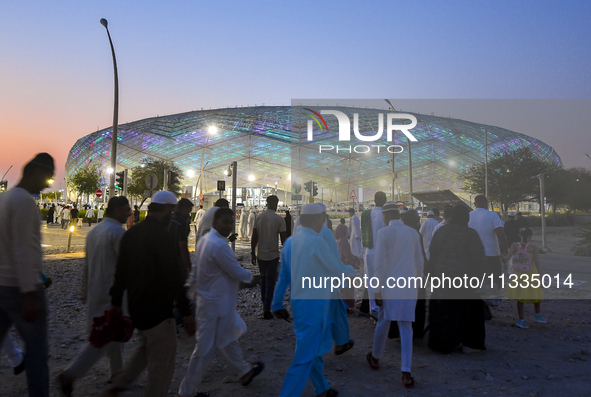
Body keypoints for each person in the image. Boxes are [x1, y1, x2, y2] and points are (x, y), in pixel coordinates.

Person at [107, 191, 195, 397]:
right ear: (166, 209)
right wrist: (187, 312)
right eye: (171, 212)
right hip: (158, 309)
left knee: (147, 348)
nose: (172, 216)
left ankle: (120, 385)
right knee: (162, 363)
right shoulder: (163, 237)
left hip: (137, 307)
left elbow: (121, 271)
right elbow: (173, 276)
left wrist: (117, 302)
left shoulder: (132, 233)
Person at [178, 208, 264, 397]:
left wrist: (191, 288)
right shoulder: (218, 245)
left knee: (227, 338)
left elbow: (196, 270)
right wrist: (255, 276)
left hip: (215, 303)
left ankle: (244, 372)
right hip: (214, 305)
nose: (228, 225)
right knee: (205, 349)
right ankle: (187, 390)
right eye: (225, 221)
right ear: (215, 223)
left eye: (230, 222)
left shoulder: (206, 241)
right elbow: (237, 271)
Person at [272, 203, 354, 397]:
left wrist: (276, 303)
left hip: (299, 304)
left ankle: (322, 389)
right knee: (304, 358)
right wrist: (355, 272)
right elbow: (336, 267)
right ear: (317, 219)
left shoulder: (291, 242)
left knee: (312, 349)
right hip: (315, 307)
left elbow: (283, 276)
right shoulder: (316, 242)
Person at [57, 197, 132, 395]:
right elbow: (125, 268)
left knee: (111, 332)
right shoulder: (117, 232)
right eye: (126, 209)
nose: (129, 213)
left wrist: (85, 292)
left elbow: (87, 265)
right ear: (116, 210)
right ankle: (71, 373)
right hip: (112, 294)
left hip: (96, 291)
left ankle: (117, 373)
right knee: (102, 338)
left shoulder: (94, 232)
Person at [0, 153, 54, 396]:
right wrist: (30, 292)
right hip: (20, 289)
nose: (47, 184)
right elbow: (22, 250)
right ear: (36, 172)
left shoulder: (5, 198)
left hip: (1, 285)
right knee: (36, 352)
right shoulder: (23, 202)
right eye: (47, 177)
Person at [367, 203, 423, 389]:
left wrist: (376, 289)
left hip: (390, 287)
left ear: (385, 216)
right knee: (406, 326)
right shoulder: (413, 233)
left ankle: (375, 357)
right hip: (409, 287)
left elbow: (380, 264)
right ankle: (406, 372)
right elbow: (420, 263)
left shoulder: (383, 234)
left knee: (384, 321)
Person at [427, 205, 488, 353]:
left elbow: (432, 254)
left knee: (443, 312)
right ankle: (469, 344)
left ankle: (441, 343)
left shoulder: (441, 231)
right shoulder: (471, 234)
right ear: (467, 219)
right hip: (463, 280)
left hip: (441, 278)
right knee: (467, 312)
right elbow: (478, 259)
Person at [503, 227, 547, 328]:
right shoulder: (533, 247)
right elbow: (537, 263)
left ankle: (521, 320)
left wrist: (500, 256)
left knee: (520, 296)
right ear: (530, 236)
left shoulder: (514, 245)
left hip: (518, 274)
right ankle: (537, 315)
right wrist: (541, 277)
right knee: (536, 293)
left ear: (520, 235)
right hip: (531, 273)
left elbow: (507, 258)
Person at [251, 195, 287, 319]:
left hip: (260, 254)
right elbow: (283, 239)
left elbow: (254, 236)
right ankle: (267, 307)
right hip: (273, 255)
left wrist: (252, 253)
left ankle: (264, 304)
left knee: (263, 279)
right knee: (270, 281)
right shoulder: (279, 219)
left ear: (267, 203)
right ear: (276, 204)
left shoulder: (259, 217)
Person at [468, 195, 509, 302]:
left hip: (474, 255)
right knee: (495, 279)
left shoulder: (468, 216)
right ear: (486, 203)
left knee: (476, 279)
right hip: (492, 254)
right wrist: (505, 251)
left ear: (475, 203)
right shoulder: (492, 215)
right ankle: (493, 300)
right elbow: (500, 234)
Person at [362, 191, 387, 315]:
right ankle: (382, 309)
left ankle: (373, 309)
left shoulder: (367, 214)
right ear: (385, 200)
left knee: (370, 282)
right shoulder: (385, 215)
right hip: (381, 254)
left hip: (368, 252)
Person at [169, 198, 194, 280]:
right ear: (184, 209)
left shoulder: (169, 219)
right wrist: (188, 265)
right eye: (189, 212)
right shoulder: (182, 223)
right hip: (177, 259)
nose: (189, 215)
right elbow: (182, 246)